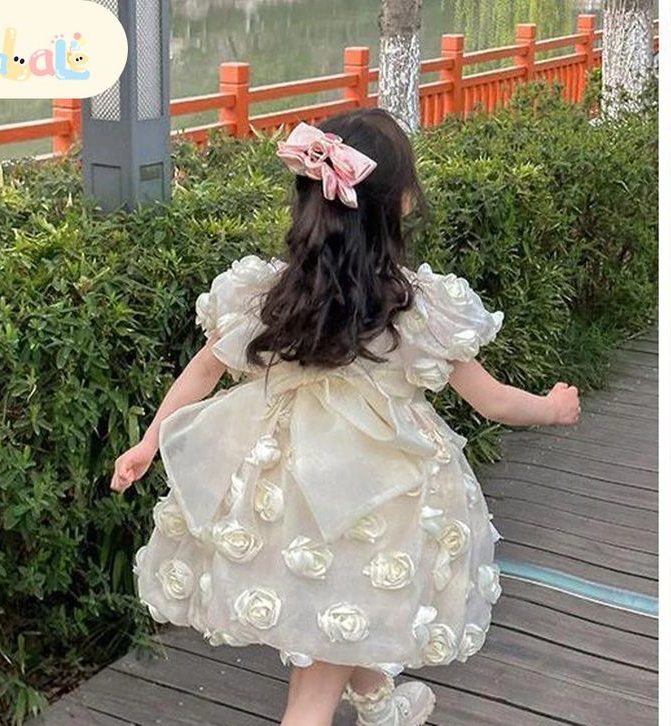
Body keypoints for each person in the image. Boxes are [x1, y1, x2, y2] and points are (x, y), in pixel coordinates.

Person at [111, 109, 580, 726]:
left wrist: (149, 441)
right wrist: (552, 408)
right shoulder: (411, 307)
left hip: (284, 502)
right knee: (319, 673)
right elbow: (492, 401)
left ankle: (381, 705)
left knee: (335, 620)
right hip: (374, 504)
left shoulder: (272, 297)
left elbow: (202, 373)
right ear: (400, 202)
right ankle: (372, 707)